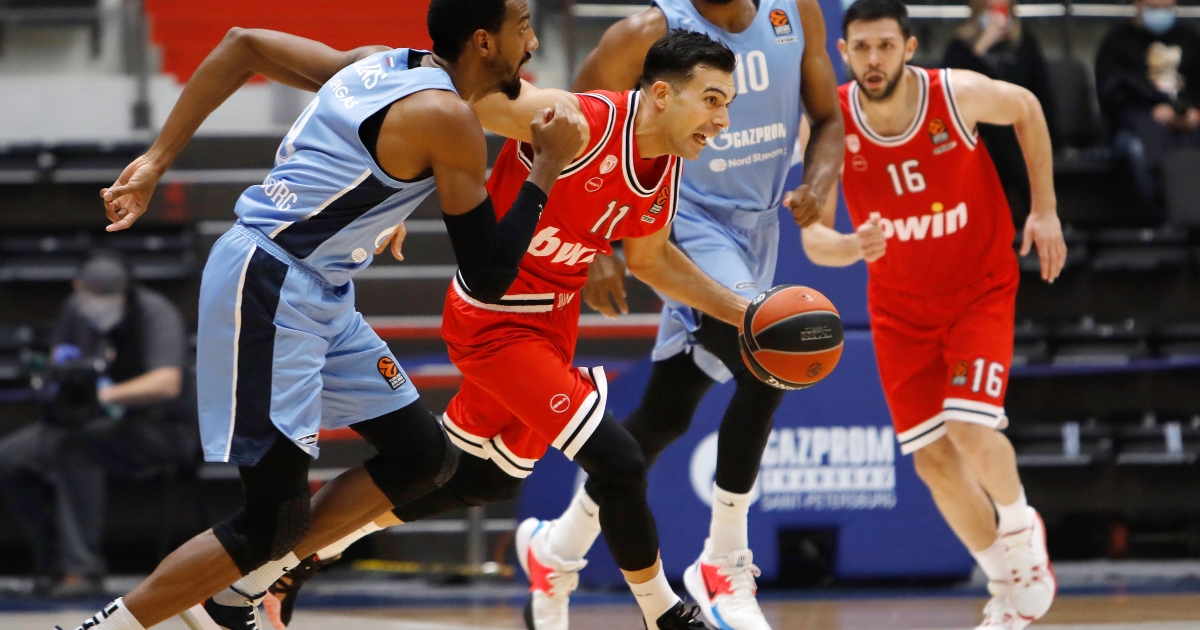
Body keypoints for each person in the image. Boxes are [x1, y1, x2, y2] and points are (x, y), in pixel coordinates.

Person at [209, 28, 757, 630]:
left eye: (728, 103)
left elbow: (652, 262)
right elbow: (453, 90)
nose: (723, 119)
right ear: (662, 94)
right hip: (495, 321)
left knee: (479, 477)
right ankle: (664, 615)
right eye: (712, 100)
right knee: (620, 462)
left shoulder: (665, 166)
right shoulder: (576, 121)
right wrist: (393, 190)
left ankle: (299, 556)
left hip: (553, 322)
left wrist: (746, 313)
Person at [64, 0, 586, 627]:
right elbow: (489, 276)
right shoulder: (449, 117)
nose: (532, 42)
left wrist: (157, 160)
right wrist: (547, 167)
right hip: (271, 282)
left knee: (423, 457)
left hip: (319, 287)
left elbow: (244, 44)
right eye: (523, 27)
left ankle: (234, 595)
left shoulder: (380, 63)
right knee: (271, 519)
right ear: (483, 41)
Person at [479, 0, 841, 626]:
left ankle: (556, 550)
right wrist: (596, 242)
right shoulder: (648, 30)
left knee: (667, 412)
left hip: (759, 229)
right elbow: (568, 129)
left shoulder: (796, 10)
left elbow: (829, 117)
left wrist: (821, 181)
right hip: (684, 221)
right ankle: (723, 562)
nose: (721, 114)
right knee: (766, 358)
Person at [800, 0, 1066, 628]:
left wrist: (1045, 209)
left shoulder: (955, 95)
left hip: (978, 290)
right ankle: (1006, 589)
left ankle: (1022, 530)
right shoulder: (830, 123)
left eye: (886, 46)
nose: (874, 59)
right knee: (933, 462)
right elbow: (815, 239)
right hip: (899, 309)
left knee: (969, 428)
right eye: (862, 48)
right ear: (844, 53)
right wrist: (851, 246)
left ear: (909, 48)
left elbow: (1026, 107)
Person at [0, 252, 188, 599]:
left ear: (127, 291)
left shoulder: (154, 311)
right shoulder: (77, 309)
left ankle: (81, 570)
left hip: (161, 427)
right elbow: (62, 360)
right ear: (78, 287)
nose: (101, 304)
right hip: (89, 421)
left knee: (77, 450)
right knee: (10, 458)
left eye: (110, 296)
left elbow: (167, 382)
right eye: (94, 295)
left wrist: (105, 394)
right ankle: (52, 562)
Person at [942, 0, 1054, 219]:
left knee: (1007, 135)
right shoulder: (961, 44)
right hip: (976, 130)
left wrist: (1052, 136)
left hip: (1016, 127)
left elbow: (1041, 92)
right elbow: (949, 91)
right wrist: (980, 47)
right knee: (996, 139)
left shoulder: (1024, 43)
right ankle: (1039, 211)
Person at [1096, 0, 1200, 217]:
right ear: (1138, 4)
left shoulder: (1189, 39)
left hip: (1188, 124)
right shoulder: (1116, 42)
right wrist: (1150, 111)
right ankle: (1160, 219)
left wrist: (1193, 113)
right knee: (1134, 150)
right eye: (1154, 7)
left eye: (1166, 8)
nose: (1160, 13)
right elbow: (1110, 97)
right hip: (1136, 126)